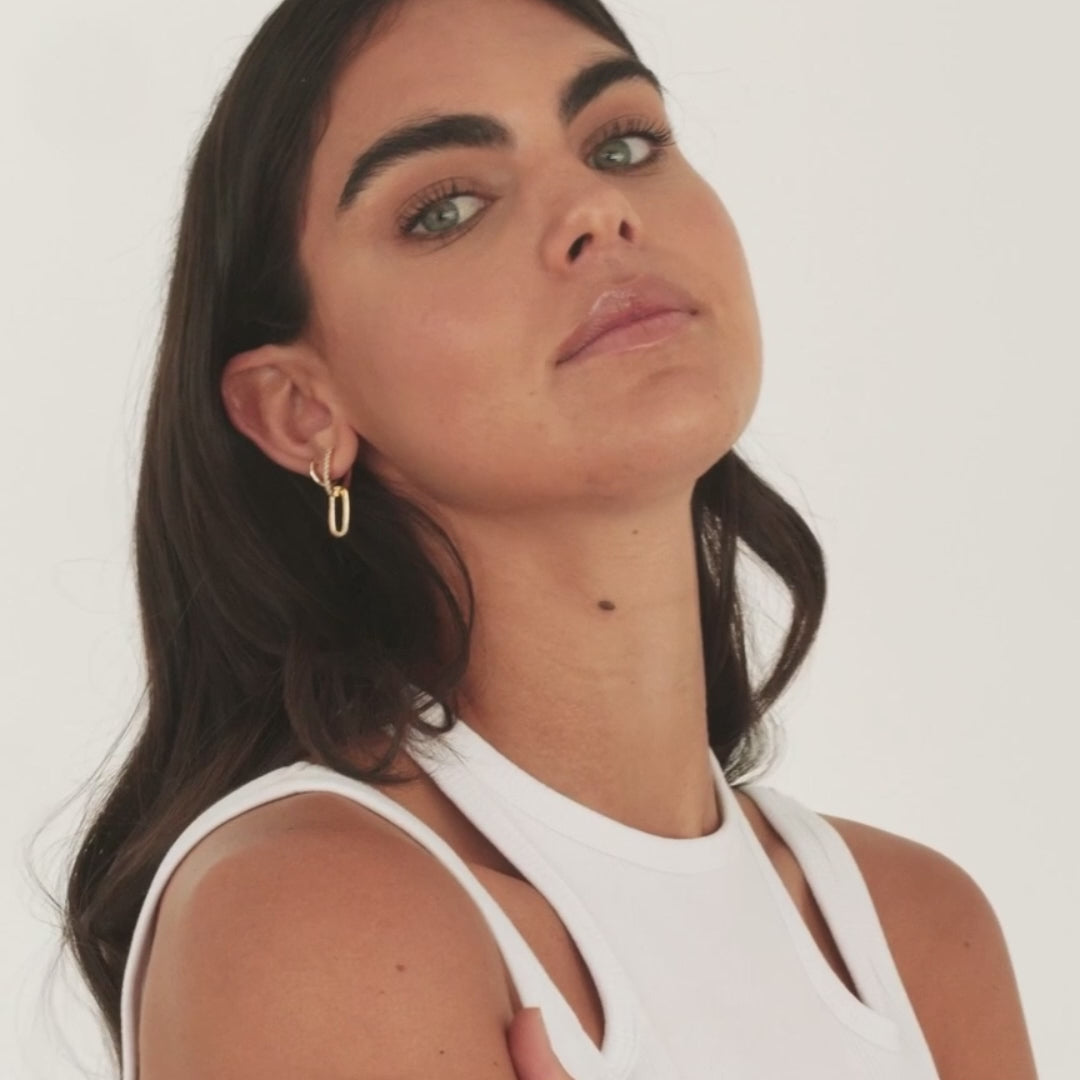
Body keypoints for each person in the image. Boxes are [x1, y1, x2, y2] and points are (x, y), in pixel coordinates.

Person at [60, 0, 1038, 1078]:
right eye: (446, 208)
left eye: (624, 143)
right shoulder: (310, 914)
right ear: (303, 411)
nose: (597, 208)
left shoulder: (918, 933)